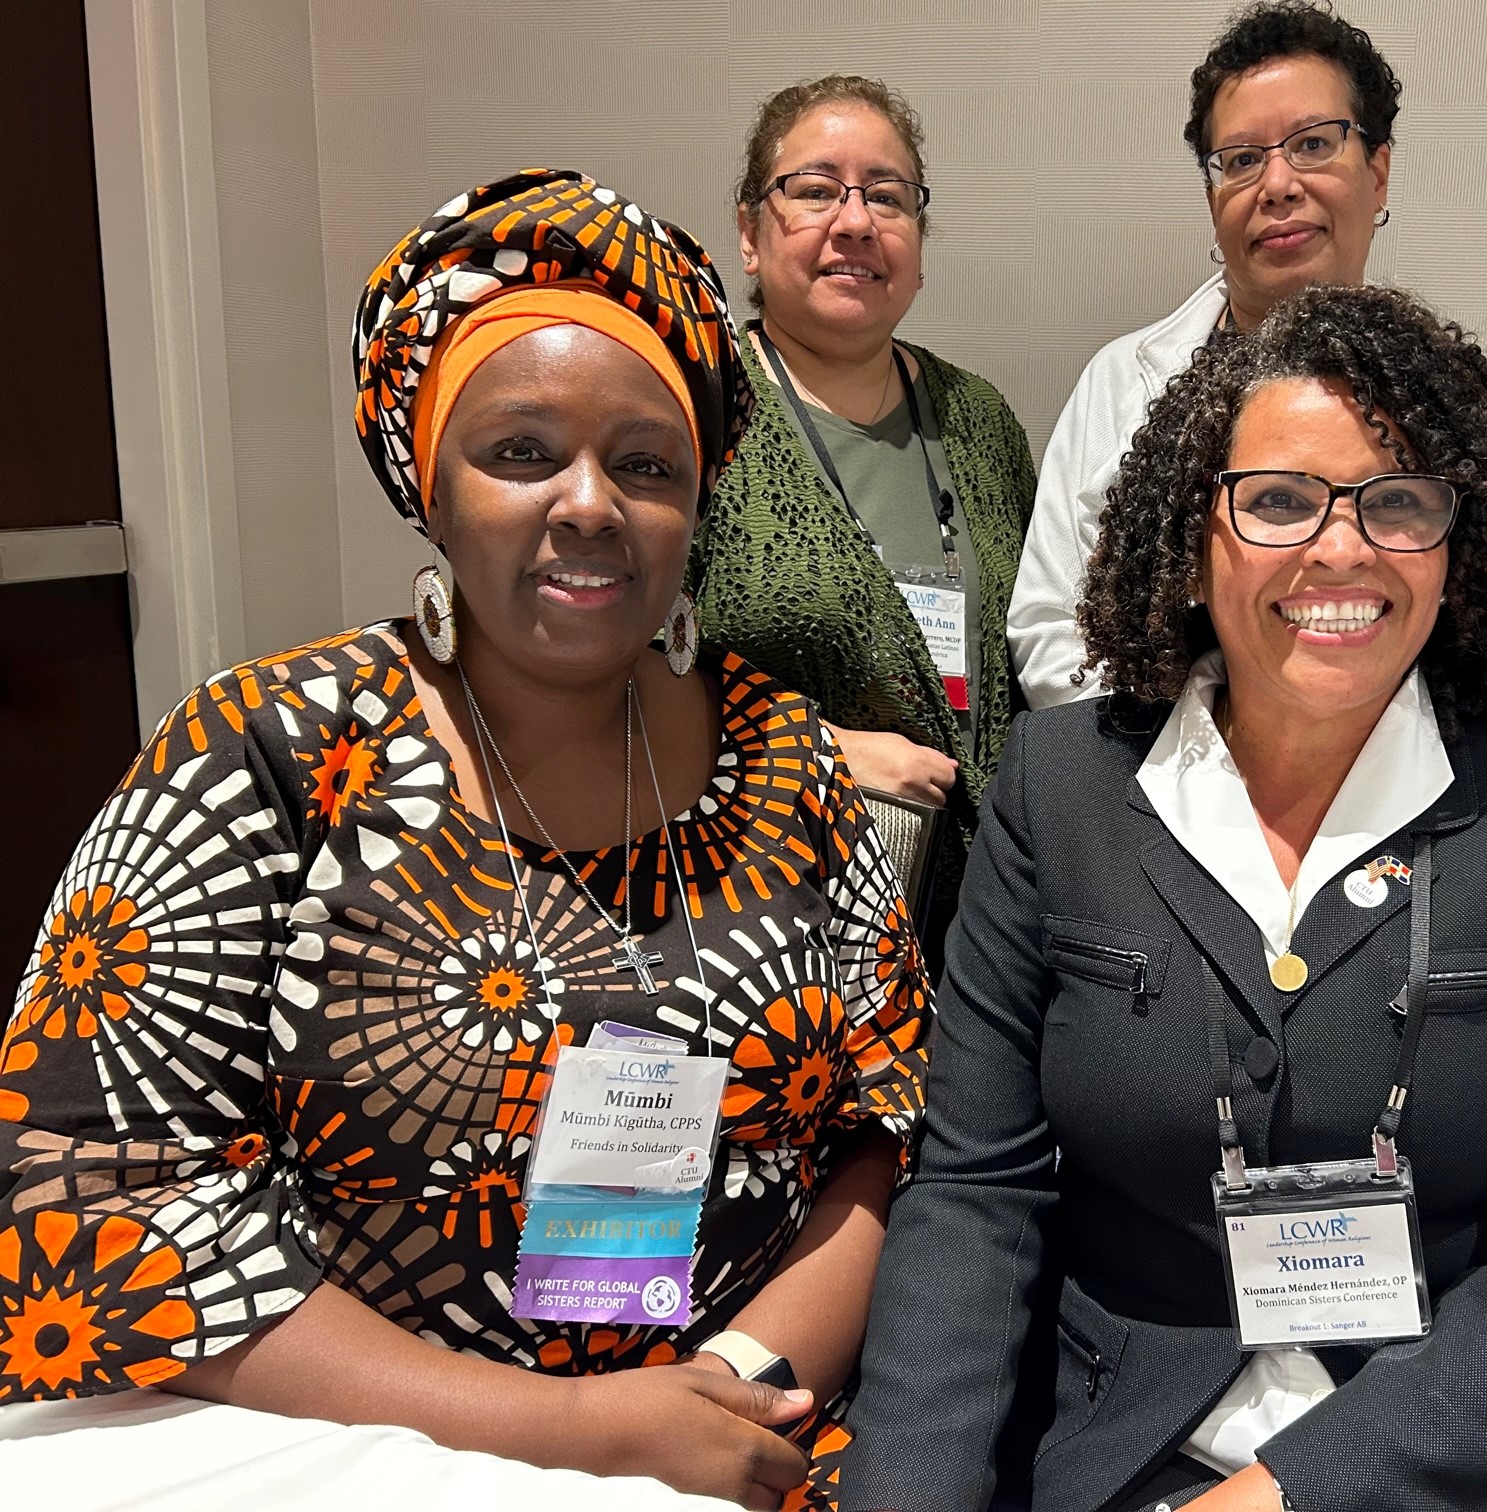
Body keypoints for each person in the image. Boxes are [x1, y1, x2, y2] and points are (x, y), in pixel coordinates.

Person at [0, 170, 929, 1511]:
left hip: (759, 1433)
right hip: (374, 1460)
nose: (592, 502)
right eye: (522, 451)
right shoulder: (265, 752)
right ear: (429, 485)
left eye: (647, 464)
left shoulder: (785, 760)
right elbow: (94, 1197)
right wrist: (572, 1433)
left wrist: (728, 1384)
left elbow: (887, 1136)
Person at [846, 284, 1487, 1511]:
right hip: (1124, 1437)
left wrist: (1276, 1499)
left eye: (1398, 502)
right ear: (1193, 537)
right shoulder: (1062, 786)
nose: (1342, 549)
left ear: (1460, 549)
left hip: (1483, 1452)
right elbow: (978, 1198)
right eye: (1281, 501)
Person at [694, 75, 1037, 957]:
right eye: (814, 191)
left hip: (980, 924)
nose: (855, 222)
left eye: (887, 197)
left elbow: (1035, 653)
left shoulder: (980, 420)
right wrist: (815, 752)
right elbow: (607, 676)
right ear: (748, 232)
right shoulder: (693, 412)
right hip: (756, 912)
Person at [1010, 1, 1398, 709]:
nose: (1277, 185)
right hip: (1147, 782)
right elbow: (1050, 629)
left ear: (1377, 172)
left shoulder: (1440, 402)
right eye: (1243, 160)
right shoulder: (1121, 383)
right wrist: (1193, 768)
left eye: (1313, 144)